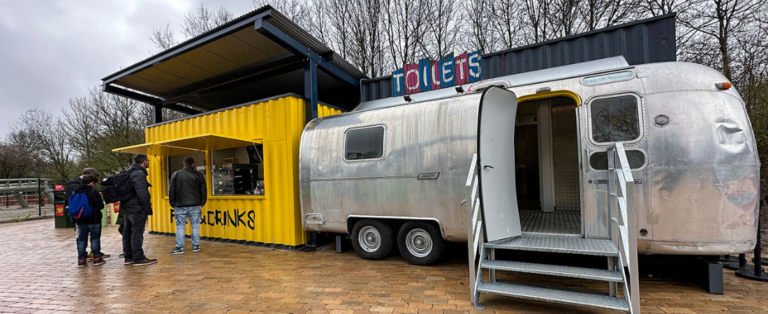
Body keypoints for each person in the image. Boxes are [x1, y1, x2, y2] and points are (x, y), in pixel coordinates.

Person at [65, 168, 111, 260]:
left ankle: (82, 257)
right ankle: (95, 255)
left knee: (82, 237)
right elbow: (100, 205)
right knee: (92, 237)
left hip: (79, 217)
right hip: (90, 217)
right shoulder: (77, 186)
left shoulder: (74, 186)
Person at [121, 154, 157, 267]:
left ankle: (128, 257)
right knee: (137, 233)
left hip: (127, 207)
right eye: (148, 160)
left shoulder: (129, 172)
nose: (149, 162)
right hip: (137, 208)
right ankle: (138, 257)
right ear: (144, 161)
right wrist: (147, 207)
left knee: (127, 232)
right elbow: (142, 193)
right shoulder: (139, 173)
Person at [168, 157, 207, 254]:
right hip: (195, 204)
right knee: (195, 226)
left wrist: (172, 202)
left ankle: (179, 247)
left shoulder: (176, 174)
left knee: (180, 226)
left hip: (180, 204)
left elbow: (171, 189)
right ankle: (196, 246)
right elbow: (203, 190)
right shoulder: (198, 175)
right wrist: (202, 202)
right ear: (192, 164)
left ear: (184, 164)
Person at [71, 175, 105, 267]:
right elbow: (100, 206)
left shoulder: (75, 192)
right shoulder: (93, 193)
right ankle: (97, 258)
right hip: (94, 219)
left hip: (80, 220)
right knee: (95, 239)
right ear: (91, 183)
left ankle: (81, 260)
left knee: (81, 239)